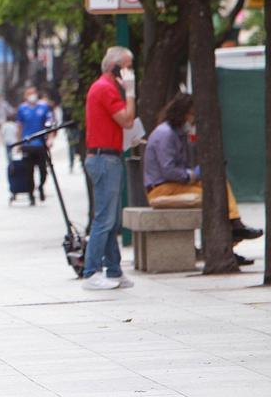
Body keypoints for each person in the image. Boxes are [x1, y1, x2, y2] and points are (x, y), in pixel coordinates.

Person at [143, 93, 263, 265]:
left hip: (174, 184)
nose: (193, 120)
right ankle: (234, 230)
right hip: (162, 188)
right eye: (192, 115)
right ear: (182, 113)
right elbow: (169, 170)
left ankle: (232, 235)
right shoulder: (165, 134)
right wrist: (194, 175)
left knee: (219, 187)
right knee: (215, 196)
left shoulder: (178, 133)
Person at [82, 47, 137, 290]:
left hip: (108, 157)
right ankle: (91, 271)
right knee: (104, 219)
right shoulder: (105, 88)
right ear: (115, 67)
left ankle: (113, 269)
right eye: (126, 67)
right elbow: (127, 119)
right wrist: (131, 92)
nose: (130, 72)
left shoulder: (106, 87)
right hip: (105, 159)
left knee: (110, 219)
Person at [16, 86, 53, 202]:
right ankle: (31, 194)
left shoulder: (44, 107)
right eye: (29, 94)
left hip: (41, 145)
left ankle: (41, 187)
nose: (32, 96)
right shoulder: (22, 109)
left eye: (33, 93)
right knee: (28, 171)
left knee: (43, 170)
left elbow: (50, 124)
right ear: (25, 96)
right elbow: (19, 127)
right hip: (27, 145)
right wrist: (18, 143)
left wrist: (50, 139)